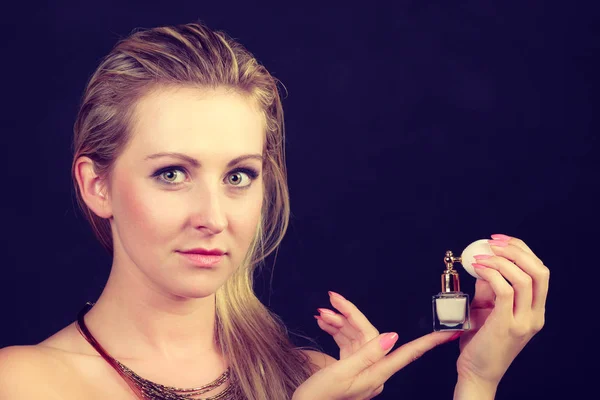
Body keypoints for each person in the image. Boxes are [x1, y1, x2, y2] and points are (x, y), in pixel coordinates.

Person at [0, 21, 549, 399]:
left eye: (238, 176)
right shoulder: (22, 383)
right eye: (172, 174)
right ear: (96, 184)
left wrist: (477, 380)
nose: (213, 216)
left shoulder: (310, 377)